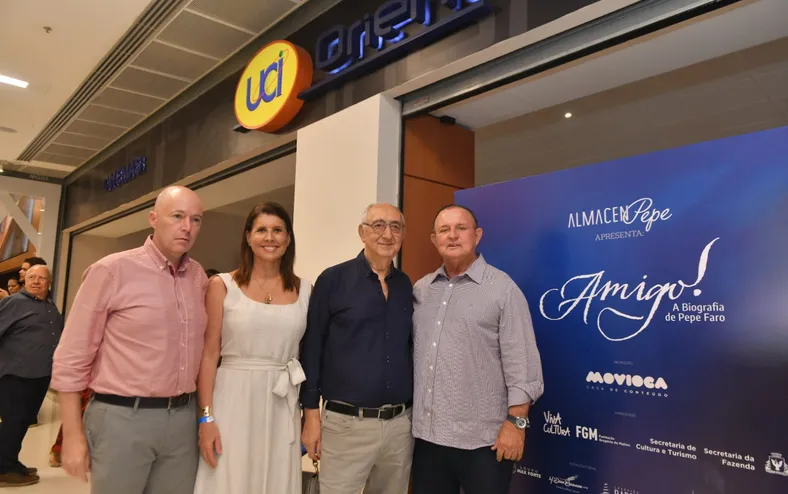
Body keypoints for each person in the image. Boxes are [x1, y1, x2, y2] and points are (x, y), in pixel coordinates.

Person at [50, 186, 209, 494]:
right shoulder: (111, 270)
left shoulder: (198, 277)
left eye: (196, 220)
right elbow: (71, 356)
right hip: (122, 418)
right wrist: (71, 434)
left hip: (181, 421)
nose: (187, 227)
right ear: (153, 218)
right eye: (177, 216)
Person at [410, 205, 544, 494]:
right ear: (434, 240)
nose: (453, 236)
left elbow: (522, 364)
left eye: (461, 228)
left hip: (484, 443)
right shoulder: (421, 290)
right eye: (444, 230)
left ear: (478, 235)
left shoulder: (503, 289)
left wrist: (516, 424)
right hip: (428, 441)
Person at [193, 202, 310, 494]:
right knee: (229, 478)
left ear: (288, 238)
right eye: (261, 230)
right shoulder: (221, 285)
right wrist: (206, 417)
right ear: (248, 237)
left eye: (278, 230)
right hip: (233, 399)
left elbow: (310, 355)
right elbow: (208, 356)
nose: (270, 238)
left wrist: (310, 417)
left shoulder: (306, 289)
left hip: (282, 403)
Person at [300, 203, 414, 494]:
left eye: (395, 226)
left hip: (399, 427)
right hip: (346, 426)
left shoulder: (405, 285)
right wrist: (311, 417)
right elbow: (312, 349)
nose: (387, 234)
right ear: (362, 233)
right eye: (378, 225)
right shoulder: (333, 280)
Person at [0, 265, 64, 487]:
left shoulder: (49, 306)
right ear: (24, 280)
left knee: (24, 421)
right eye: (31, 277)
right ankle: (3, 469)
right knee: (12, 421)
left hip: (40, 375)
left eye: (42, 278)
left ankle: (10, 462)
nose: (36, 281)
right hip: (15, 375)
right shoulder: (13, 303)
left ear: (49, 283)